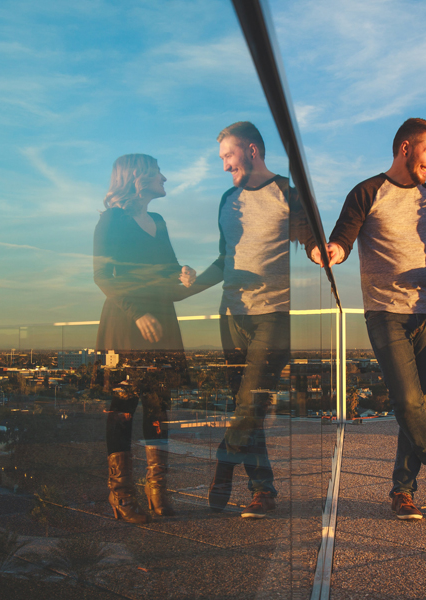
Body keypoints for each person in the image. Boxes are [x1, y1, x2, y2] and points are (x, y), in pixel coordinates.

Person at [312, 118, 426, 520]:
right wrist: (330, 254)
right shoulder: (367, 191)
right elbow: (341, 242)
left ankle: (402, 492)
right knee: (407, 402)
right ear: (406, 147)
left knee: (419, 406)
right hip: (384, 313)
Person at [191, 121, 311, 519]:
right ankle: (263, 491)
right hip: (231, 316)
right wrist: (184, 290)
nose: (225, 166)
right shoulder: (227, 199)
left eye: (229, 155)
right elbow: (225, 258)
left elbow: (313, 245)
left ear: (252, 150)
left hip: (274, 316)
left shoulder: (287, 193)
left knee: (250, 403)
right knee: (249, 409)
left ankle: (225, 463)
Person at [93, 154, 195, 523]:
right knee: (122, 408)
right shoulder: (111, 221)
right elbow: (103, 276)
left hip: (161, 319)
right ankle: (121, 494)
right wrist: (138, 312)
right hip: (126, 322)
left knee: (157, 406)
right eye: (157, 173)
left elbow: (168, 269)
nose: (165, 177)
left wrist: (183, 273)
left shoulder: (160, 221)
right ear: (138, 178)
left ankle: (158, 491)